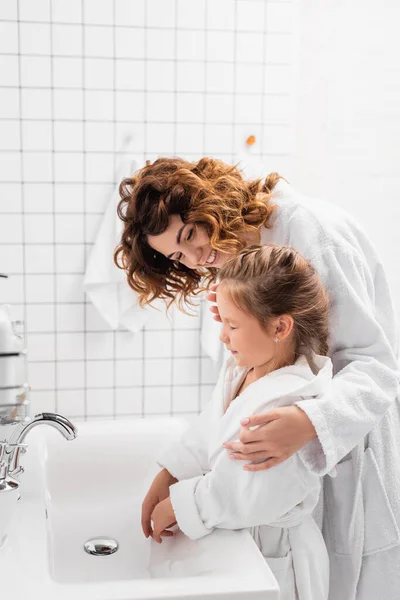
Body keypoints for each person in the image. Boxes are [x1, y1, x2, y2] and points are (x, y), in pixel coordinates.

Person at [115, 157, 400, 600]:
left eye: (190, 235)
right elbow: (239, 391)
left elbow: (376, 365)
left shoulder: (313, 235)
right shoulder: (237, 257)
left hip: (348, 442)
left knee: (356, 578)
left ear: (210, 202)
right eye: (177, 256)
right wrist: (177, 469)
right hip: (298, 456)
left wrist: (312, 421)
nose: (195, 259)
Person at [148, 244, 332, 600]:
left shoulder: (289, 399)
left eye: (232, 325)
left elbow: (249, 491)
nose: (222, 335)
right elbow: (209, 428)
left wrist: (183, 504)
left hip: (280, 556)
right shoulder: (243, 369)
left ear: (280, 327)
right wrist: (170, 472)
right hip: (246, 541)